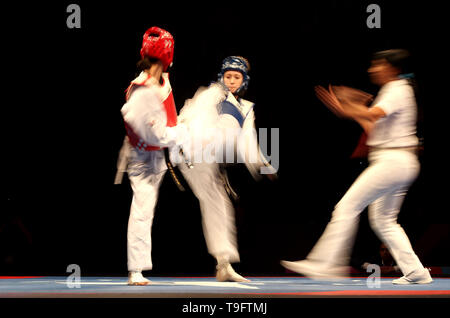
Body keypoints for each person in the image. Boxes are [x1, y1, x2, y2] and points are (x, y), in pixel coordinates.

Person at [281, 49, 432, 285]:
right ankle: (416, 271)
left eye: (378, 64)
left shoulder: (396, 89)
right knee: (384, 220)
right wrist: (351, 108)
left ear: (392, 69)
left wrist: (347, 107)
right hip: (397, 161)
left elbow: (373, 115)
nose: (373, 69)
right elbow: (373, 129)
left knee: (346, 207)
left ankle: (326, 264)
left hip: (393, 161)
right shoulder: (394, 91)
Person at [178, 56, 277, 282]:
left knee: (220, 206)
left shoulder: (246, 108)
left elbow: (248, 141)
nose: (231, 81)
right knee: (216, 203)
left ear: (244, 80)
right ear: (221, 77)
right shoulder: (212, 94)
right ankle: (223, 264)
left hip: (209, 160)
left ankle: (223, 264)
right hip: (192, 151)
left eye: (236, 77)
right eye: (228, 76)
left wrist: (262, 164)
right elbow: (191, 116)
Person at [117, 27, 189, 285]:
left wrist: (181, 129)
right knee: (142, 209)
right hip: (143, 157)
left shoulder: (162, 82)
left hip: (159, 153)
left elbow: (166, 119)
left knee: (147, 209)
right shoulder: (141, 90)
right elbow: (153, 135)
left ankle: (138, 268)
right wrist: (181, 133)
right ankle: (136, 269)